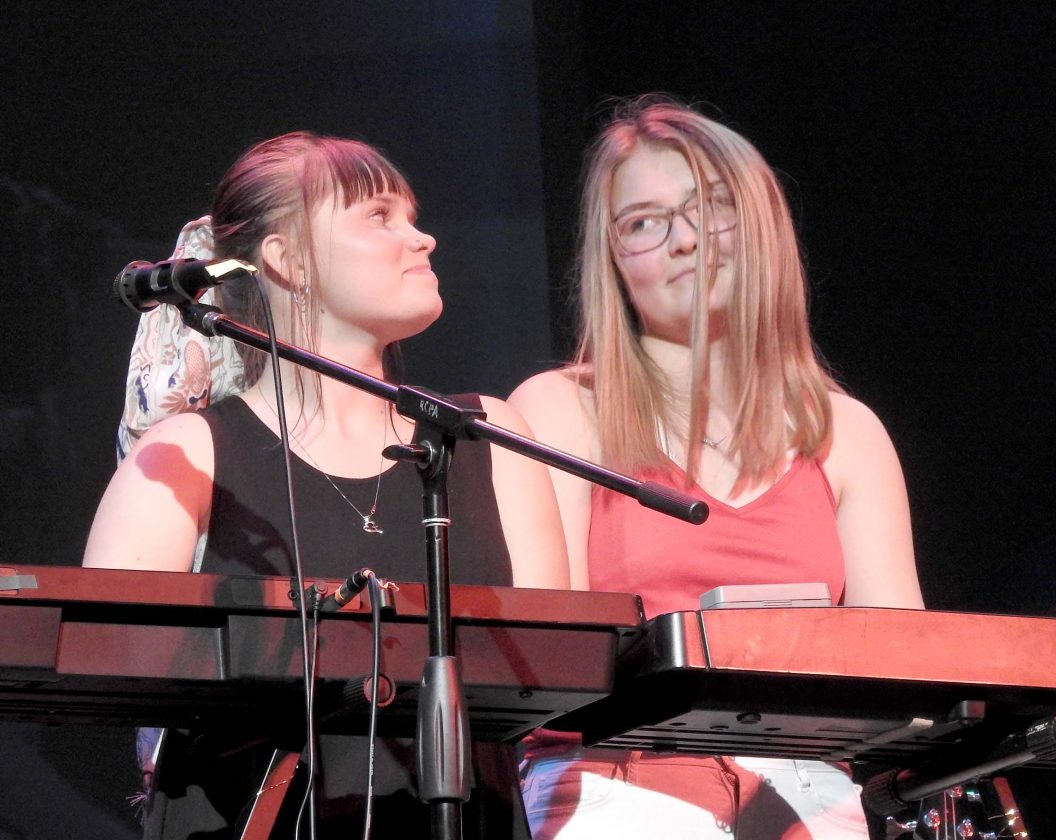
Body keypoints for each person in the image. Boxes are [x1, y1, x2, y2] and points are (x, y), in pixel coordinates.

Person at [84, 130, 570, 838]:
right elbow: (110, 666)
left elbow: (554, 668)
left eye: (412, 216)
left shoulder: (488, 436)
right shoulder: (184, 456)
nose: (423, 238)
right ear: (286, 260)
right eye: (379, 216)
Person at [509, 96, 925, 839]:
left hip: (808, 782)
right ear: (613, 261)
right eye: (643, 223)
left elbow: (906, 673)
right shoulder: (559, 411)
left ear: (762, 225)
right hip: (617, 773)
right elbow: (547, 666)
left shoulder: (847, 433)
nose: (686, 241)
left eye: (710, 209)